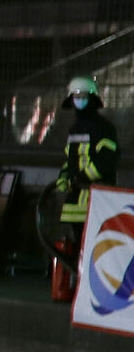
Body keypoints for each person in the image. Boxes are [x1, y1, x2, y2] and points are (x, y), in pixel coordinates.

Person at [53, 74, 121, 302]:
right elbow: (69, 160)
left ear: (93, 99)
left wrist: (81, 178)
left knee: (96, 249)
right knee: (75, 246)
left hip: (97, 200)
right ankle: (76, 290)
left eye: (83, 96)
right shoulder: (73, 130)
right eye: (75, 96)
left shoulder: (105, 129)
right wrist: (64, 178)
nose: (79, 101)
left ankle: (93, 293)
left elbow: (105, 162)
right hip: (75, 201)